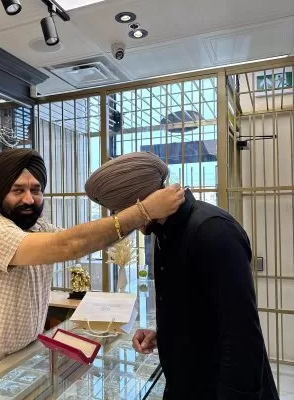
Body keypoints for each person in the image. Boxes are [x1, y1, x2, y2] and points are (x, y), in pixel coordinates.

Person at [0, 148, 184, 383]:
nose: (29, 199)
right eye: (18, 191)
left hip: (20, 361)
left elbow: (89, 241)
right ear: (0, 193)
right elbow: (68, 245)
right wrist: (143, 211)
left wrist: (132, 209)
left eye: (35, 190)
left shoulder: (39, 228)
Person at [85, 151, 279, 400]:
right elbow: (198, 308)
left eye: (119, 211)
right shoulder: (163, 233)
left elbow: (242, 338)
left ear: (139, 201)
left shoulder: (213, 230)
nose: (120, 221)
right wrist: (164, 335)